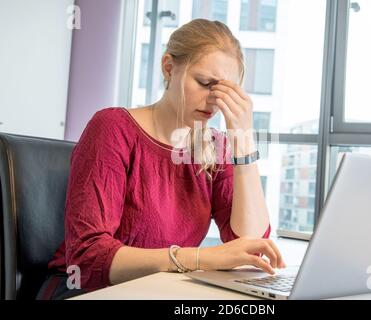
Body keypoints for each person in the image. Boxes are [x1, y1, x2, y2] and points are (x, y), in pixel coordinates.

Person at [36, 18, 286, 300]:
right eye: (205, 83)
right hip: (86, 290)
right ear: (169, 67)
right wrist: (200, 259)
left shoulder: (216, 147)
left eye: (226, 92)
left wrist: (243, 142)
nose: (214, 101)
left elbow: (249, 246)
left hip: (160, 291)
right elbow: (87, 257)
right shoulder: (112, 127)